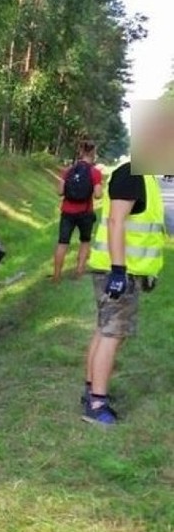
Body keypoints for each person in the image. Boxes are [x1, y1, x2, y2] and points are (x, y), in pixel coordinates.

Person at [82, 160, 165, 425]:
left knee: (105, 329)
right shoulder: (131, 173)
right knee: (113, 334)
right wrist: (118, 270)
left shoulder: (148, 178)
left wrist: (147, 272)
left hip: (126, 271)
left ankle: (91, 391)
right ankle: (97, 403)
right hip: (117, 272)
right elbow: (117, 220)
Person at [53, 140, 103, 280]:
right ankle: (79, 273)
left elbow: (60, 192)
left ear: (80, 152)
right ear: (93, 153)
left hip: (67, 212)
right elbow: (98, 195)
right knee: (85, 241)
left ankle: (56, 276)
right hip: (85, 212)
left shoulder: (68, 170)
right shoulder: (95, 172)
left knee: (62, 243)